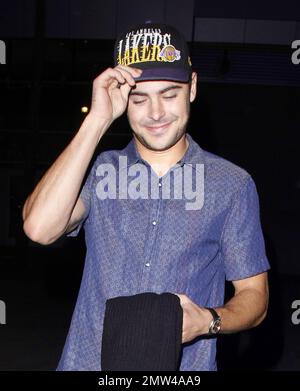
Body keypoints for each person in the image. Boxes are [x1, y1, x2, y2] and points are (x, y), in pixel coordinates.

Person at [22, 22, 270, 371]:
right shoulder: (101, 170)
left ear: (192, 88)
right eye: (139, 98)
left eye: (169, 94)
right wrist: (97, 120)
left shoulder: (231, 184)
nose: (155, 113)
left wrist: (208, 320)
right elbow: (38, 228)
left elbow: (255, 298)